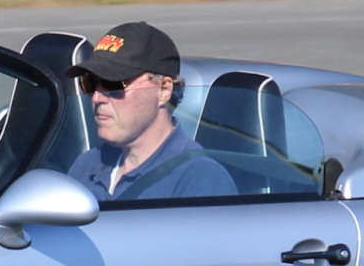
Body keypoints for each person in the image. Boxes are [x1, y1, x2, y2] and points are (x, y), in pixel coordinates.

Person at [65, 22, 237, 202]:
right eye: (90, 84)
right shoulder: (86, 165)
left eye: (113, 85)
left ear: (164, 90)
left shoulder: (200, 179)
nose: (97, 98)